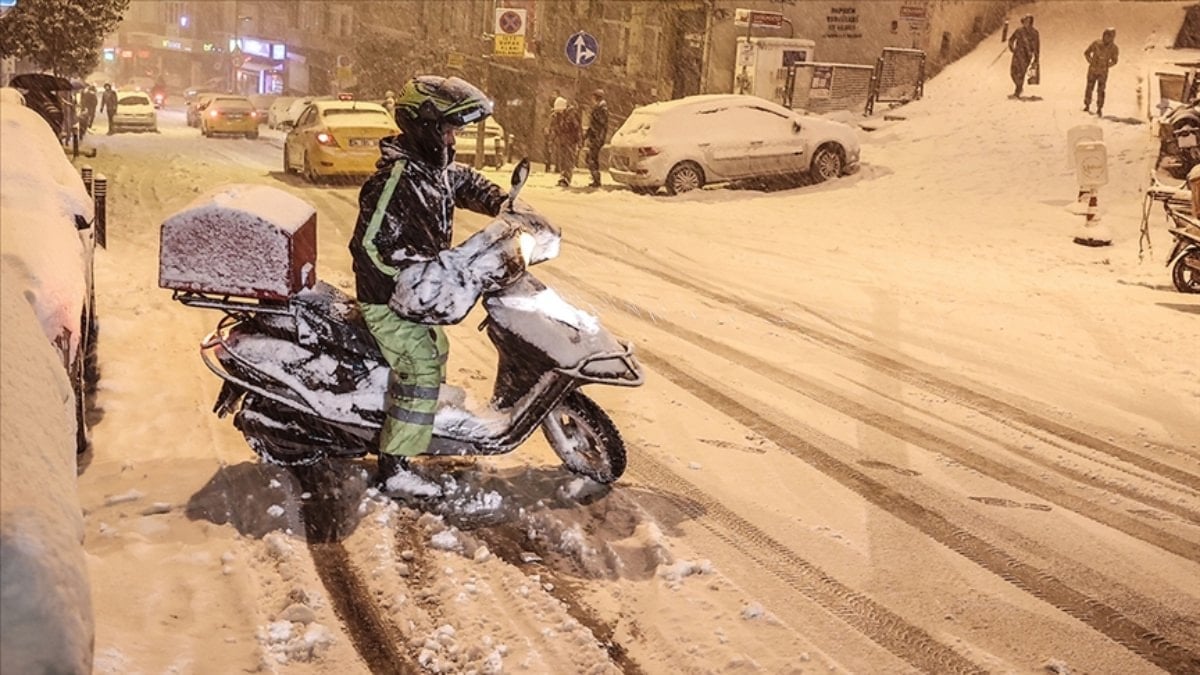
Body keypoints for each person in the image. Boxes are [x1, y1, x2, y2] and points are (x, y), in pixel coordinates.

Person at [349, 75, 510, 494]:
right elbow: (369, 245)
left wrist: (503, 203)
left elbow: (463, 182)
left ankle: (414, 422)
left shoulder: (431, 169)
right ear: (425, 126)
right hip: (389, 299)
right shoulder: (397, 179)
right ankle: (395, 466)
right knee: (421, 364)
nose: (453, 138)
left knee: (437, 348)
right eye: (448, 129)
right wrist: (406, 278)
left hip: (416, 297)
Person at [1084, 28, 1119, 117]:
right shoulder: (1096, 43)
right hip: (1092, 70)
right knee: (1089, 88)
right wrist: (1091, 61)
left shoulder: (1114, 48)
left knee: (1101, 90)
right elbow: (1086, 53)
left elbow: (1115, 61)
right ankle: (1087, 105)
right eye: (1106, 35)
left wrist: (1107, 65)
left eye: (1109, 36)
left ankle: (1099, 108)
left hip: (1103, 73)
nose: (1107, 37)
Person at [548, 96, 581, 187]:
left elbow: (577, 129)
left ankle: (567, 177)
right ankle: (563, 176)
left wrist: (578, 142)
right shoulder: (556, 116)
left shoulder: (571, 115)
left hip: (570, 141)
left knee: (569, 160)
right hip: (562, 141)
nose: (559, 113)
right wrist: (551, 140)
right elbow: (554, 129)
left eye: (560, 111)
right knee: (563, 160)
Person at [1008, 14, 1040, 99]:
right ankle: (1018, 87)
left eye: (1028, 21)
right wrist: (1012, 48)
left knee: (1021, 72)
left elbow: (1037, 46)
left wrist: (1036, 58)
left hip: (1027, 55)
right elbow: (1011, 40)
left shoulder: (1034, 33)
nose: (1026, 23)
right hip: (1017, 54)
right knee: (1013, 72)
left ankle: (1018, 90)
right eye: (1025, 21)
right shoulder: (1019, 31)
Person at [584, 89, 609, 188]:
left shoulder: (602, 109)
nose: (591, 99)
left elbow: (601, 124)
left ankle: (596, 179)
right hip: (595, 137)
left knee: (591, 158)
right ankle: (595, 178)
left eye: (593, 97)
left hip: (597, 138)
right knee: (591, 158)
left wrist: (597, 136)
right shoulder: (598, 108)